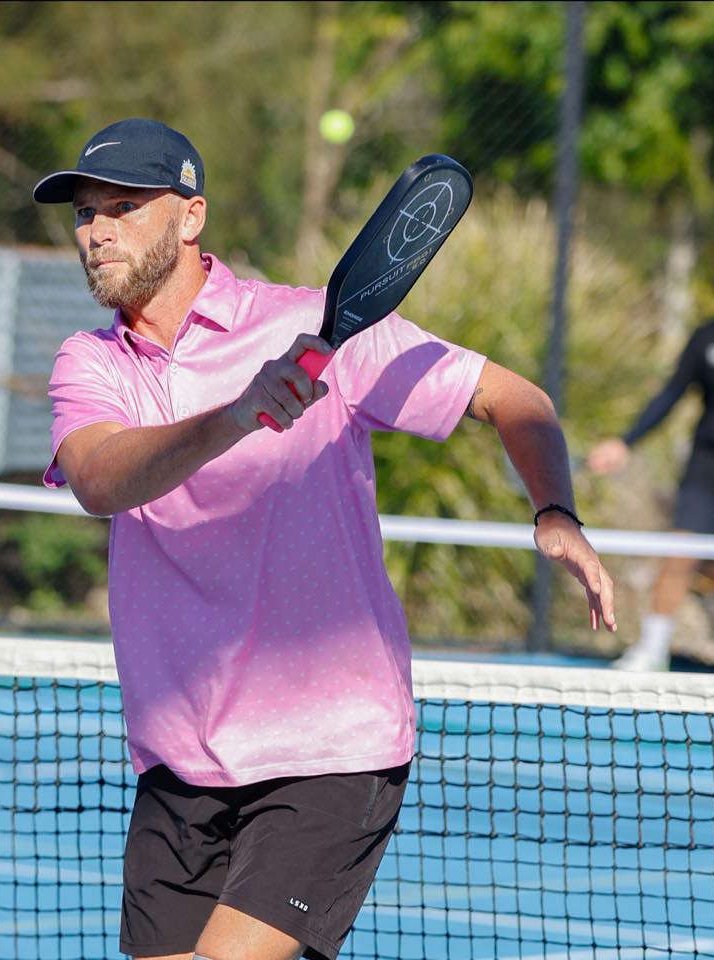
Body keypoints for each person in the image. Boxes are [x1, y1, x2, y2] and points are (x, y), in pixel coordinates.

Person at [35, 117, 617, 960]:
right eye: (86, 213)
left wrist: (556, 513)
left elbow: (516, 400)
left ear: (190, 217)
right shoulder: (88, 364)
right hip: (180, 756)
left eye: (123, 207)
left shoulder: (317, 325)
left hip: (330, 745)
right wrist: (236, 416)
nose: (97, 232)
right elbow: (100, 478)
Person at [588, 317, 714, 671]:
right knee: (680, 553)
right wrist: (625, 442)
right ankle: (653, 650)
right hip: (706, 468)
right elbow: (671, 394)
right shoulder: (706, 337)